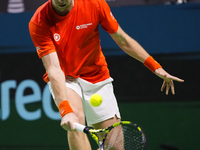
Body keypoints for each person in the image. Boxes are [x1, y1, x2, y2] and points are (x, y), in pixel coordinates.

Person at [29, 0, 184, 149]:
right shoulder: (39, 21)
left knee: (115, 147)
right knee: (74, 118)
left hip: (96, 75)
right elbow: (54, 68)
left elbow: (122, 40)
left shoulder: (94, 4)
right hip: (66, 78)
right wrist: (65, 111)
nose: (62, 0)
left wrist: (155, 66)